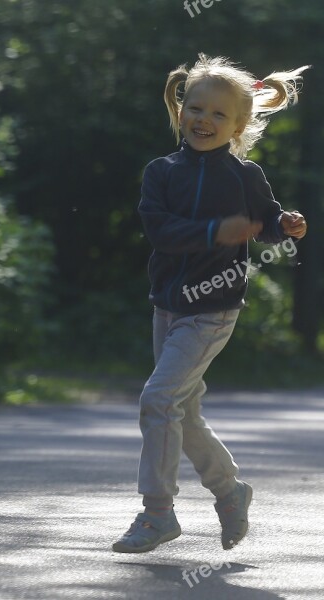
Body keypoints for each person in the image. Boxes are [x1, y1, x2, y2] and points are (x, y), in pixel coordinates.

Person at [112, 54, 309, 553]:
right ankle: (230, 491)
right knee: (184, 412)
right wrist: (213, 231)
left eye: (219, 115)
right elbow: (159, 230)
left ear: (239, 125)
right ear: (181, 110)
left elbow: (265, 223)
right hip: (167, 305)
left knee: (158, 399)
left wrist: (284, 225)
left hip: (213, 308)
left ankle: (157, 514)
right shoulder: (161, 172)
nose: (204, 120)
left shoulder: (245, 177)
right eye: (196, 108)